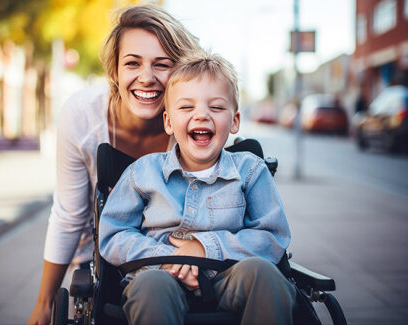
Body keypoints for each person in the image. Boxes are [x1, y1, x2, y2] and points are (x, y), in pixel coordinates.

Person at [28, 5, 201, 324]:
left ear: (180, 72)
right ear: (114, 71)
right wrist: (43, 303)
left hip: (186, 261)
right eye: (132, 63)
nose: (146, 78)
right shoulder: (82, 116)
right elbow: (69, 215)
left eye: (162, 64)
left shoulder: (197, 119)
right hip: (110, 262)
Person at [99, 53, 296, 325]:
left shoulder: (250, 170)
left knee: (265, 274)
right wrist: (169, 257)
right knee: (151, 286)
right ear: (168, 122)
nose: (201, 115)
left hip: (230, 274)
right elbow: (114, 234)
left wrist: (205, 249)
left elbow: (272, 236)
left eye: (216, 108)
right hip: (160, 275)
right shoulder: (143, 172)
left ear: (235, 121)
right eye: (186, 108)